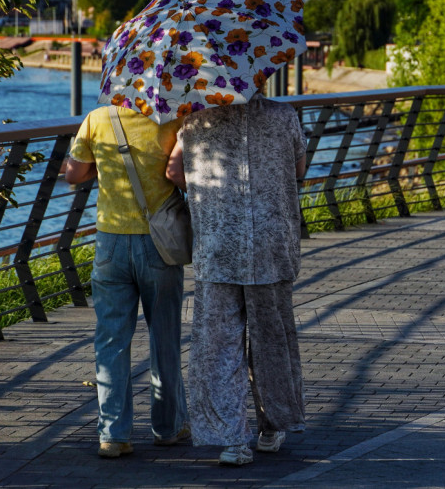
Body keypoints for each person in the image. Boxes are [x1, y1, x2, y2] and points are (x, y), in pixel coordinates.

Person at [166, 92, 306, 467]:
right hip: (271, 245)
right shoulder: (283, 115)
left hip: (217, 246)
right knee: (272, 341)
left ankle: (231, 439)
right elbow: (299, 170)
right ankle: (271, 426)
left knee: (218, 346)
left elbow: (173, 172)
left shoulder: (196, 121)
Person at [64, 106, 189, 458]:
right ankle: (168, 427)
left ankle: (113, 434)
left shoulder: (97, 118)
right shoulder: (173, 119)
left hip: (110, 241)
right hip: (159, 242)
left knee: (111, 338)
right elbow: (178, 173)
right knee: (165, 336)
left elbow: (74, 175)